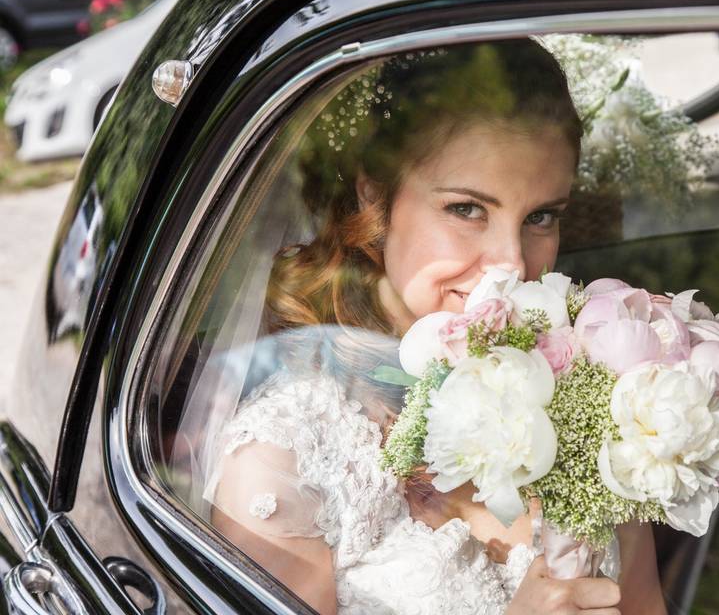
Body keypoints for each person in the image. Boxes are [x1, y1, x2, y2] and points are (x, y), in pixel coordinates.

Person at [203, 39, 666, 614]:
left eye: (540, 217)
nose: (513, 265)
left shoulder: (595, 389)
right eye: (468, 209)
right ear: (376, 192)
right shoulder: (290, 454)